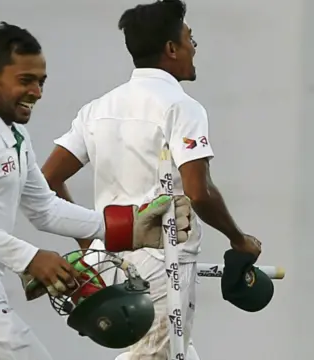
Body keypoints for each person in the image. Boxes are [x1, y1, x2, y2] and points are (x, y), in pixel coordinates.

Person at [0, 21, 194, 360]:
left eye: (41, 82)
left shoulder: (14, 137)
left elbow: (45, 208)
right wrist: (30, 258)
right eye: (25, 80)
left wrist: (128, 227)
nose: (37, 92)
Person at [40, 0, 262, 358]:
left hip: (110, 263)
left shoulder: (98, 108)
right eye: (191, 38)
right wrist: (239, 239)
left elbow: (49, 178)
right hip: (163, 263)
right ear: (171, 49)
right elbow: (198, 192)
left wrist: (92, 242)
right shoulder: (182, 107)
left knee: (180, 352)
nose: (195, 47)